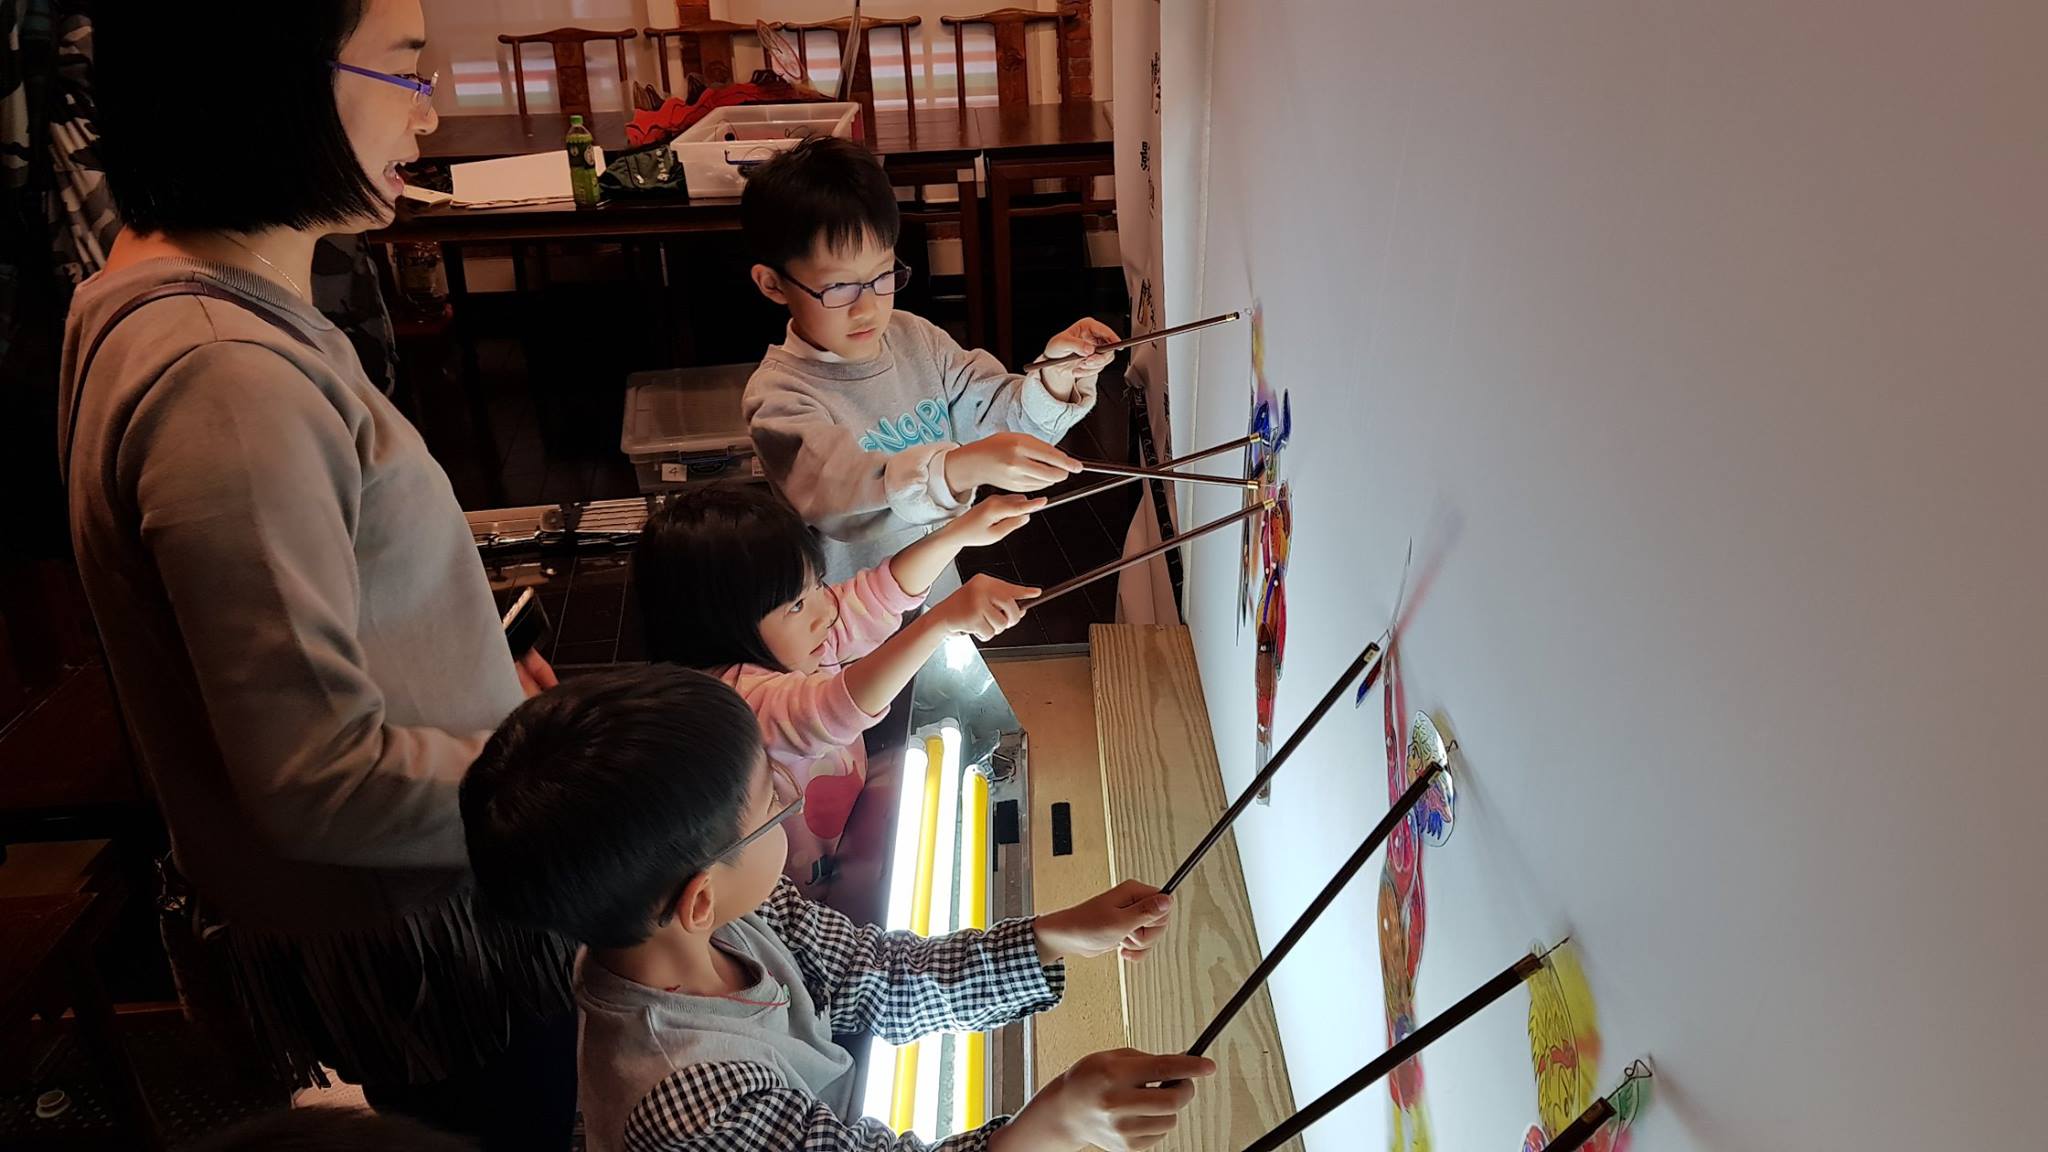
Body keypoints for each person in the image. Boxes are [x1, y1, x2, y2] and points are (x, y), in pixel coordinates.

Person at [59, 2, 573, 1144]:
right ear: (274, 79)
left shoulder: (167, 293)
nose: (428, 119)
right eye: (407, 73)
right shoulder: (224, 373)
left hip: (425, 885)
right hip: (423, 944)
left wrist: (476, 676)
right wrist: (582, 782)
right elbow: (317, 777)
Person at [460, 665, 1217, 1152]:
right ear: (698, 897)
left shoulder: (722, 916)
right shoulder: (690, 1106)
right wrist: (1045, 1129)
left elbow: (878, 975)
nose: (793, 798)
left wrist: (1052, 936)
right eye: (769, 802)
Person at [740, 135, 1120, 587]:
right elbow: (842, 498)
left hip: (936, 594)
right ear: (772, 284)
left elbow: (999, 417)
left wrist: (1057, 374)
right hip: (843, 617)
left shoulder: (914, 338)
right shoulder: (780, 397)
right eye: (839, 287)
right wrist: (959, 467)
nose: (866, 308)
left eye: (882, 276)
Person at [634, 481, 1042, 890]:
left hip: (850, 836)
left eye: (817, 585)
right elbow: (829, 709)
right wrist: (938, 623)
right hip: (798, 888)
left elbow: (875, 595)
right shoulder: (735, 705)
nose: (825, 611)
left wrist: (956, 534)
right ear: (718, 626)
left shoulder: (800, 639)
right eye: (796, 605)